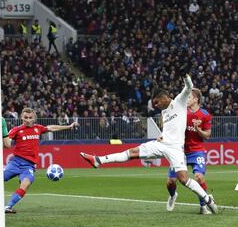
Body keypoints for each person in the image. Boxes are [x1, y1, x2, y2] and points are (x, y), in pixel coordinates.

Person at [80, 75, 218, 214]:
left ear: (164, 97)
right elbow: (170, 128)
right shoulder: (164, 112)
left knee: (183, 179)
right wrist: (163, 135)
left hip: (176, 149)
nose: (156, 106)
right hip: (162, 144)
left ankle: (207, 200)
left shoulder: (179, 101)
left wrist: (185, 76)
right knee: (133, 152)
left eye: (157, 102)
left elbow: (189, 86)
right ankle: (98, 160)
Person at [4, 107, 79, 213]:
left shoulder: (38, 128)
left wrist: (68, 126)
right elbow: (6, 140)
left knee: (25, 184)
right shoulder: (16, 130)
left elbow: (51, 128)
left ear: (34, 117)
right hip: (15, 162)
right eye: (26, 117)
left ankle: (8, 207)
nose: (28, 120)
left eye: (30, 117)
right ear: (21, 117)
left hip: (28, 166)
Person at [166, 88, 212, 214]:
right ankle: (173, 195)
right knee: (171, 182)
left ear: (196, 99)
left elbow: (207, 136)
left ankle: (203, 206)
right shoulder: (181, 113)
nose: (186, 99)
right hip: (179, 151)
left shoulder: (205, 115)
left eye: (189, 97)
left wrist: (197, 129)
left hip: (197, 150)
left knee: (199, 177)